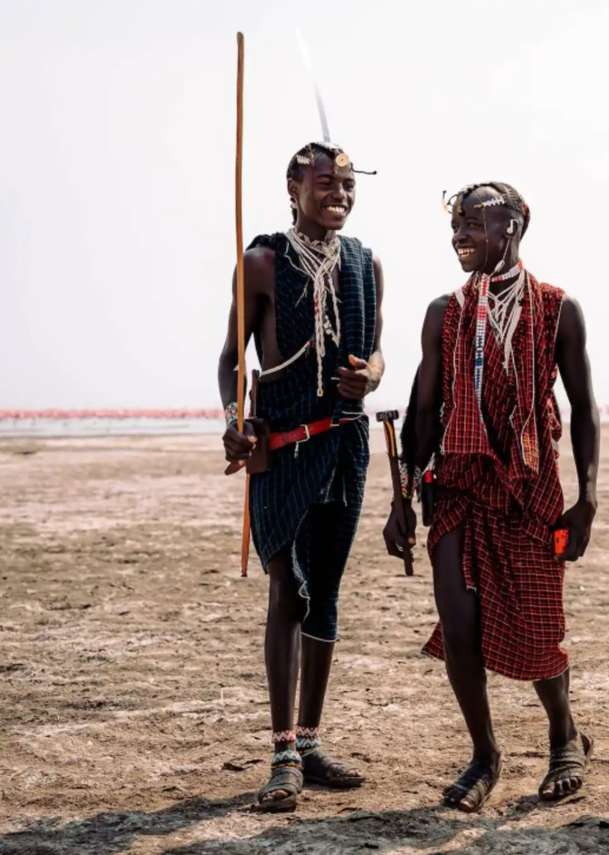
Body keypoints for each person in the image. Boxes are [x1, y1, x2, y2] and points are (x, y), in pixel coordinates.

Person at [384, 182, 601, 812]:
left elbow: (584, 408)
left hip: (531, 489)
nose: (460, 235)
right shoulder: (444, 312)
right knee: (459, 628)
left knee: (538, 626)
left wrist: (587, 498)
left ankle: (564, 735)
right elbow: (424, 413)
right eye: (456, 224)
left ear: (513, 227)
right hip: (457, 484)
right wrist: (402, 498)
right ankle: (485, 755)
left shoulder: (557, 308)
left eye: (474, 223)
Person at [218, 141, 384, 812]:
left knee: (327, 594)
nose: (339, 193)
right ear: (293, 187)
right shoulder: (261, 263)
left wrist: (370, 376)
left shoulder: (366, 264)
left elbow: (377, 354)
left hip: (344, 446)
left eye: (348, 184)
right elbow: (231, 358)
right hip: (282, 449)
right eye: (325, 183)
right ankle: (283, 751)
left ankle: (311, 743)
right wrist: (234, 417)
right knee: (287, 589)